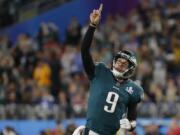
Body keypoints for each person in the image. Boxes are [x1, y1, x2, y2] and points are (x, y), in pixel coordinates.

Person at [73, 4, 144, 135]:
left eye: (124, 64)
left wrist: (131, 125)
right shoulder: (100, 72)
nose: (119, 64)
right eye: (118, 61)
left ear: (130, 69)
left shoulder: (134, 90)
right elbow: (84, 51)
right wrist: (92, 26)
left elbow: (133, 118)